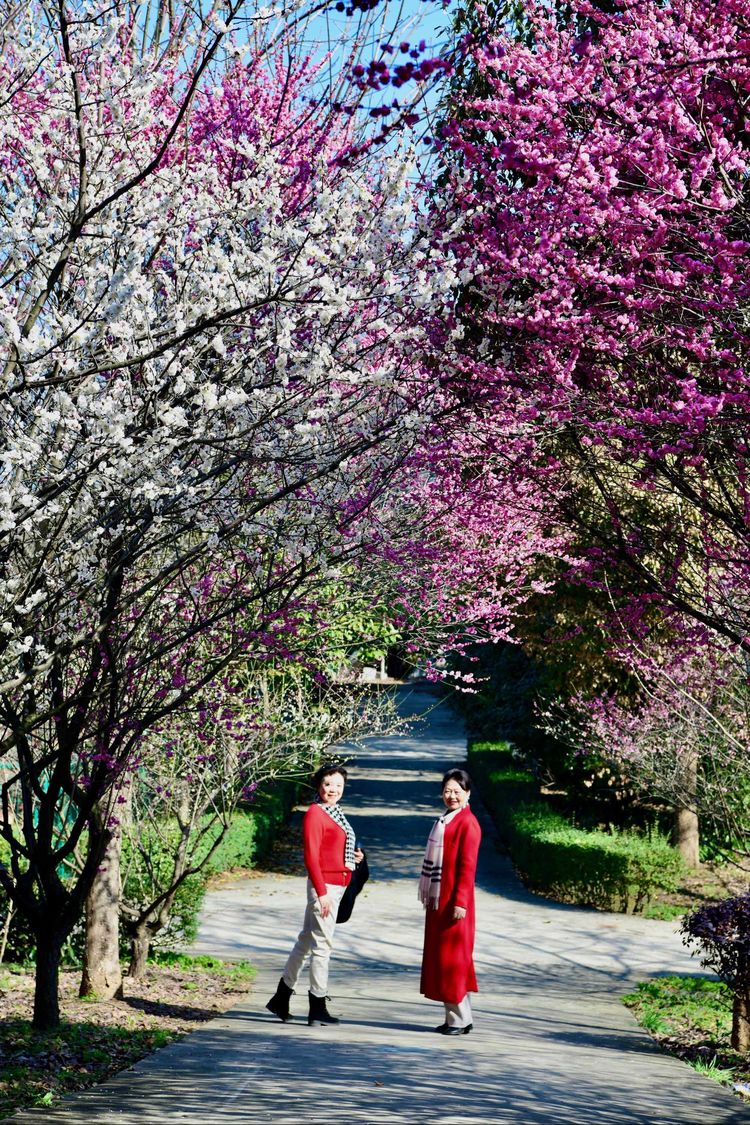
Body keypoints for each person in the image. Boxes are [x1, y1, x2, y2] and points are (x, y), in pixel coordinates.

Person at [265, 763, 363, 1027]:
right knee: (322, 947)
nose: (333, 789)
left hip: (336, 885)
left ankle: (281, 998)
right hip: (325, 888)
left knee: (306, 941)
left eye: (339, 785)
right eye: (328, 784)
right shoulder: (315, 814)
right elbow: (311, 857)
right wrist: (321, 893)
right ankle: (317, 1005)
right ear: (319, 785)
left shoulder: (334, 812)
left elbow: (334, 848)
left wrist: (354, 857)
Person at [419, 767, 481, 1035]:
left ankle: (458, 1020)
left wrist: (461, 902)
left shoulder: (468, 823)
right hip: (440, 901)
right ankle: (459, 1017)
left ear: (468, 793)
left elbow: (468, 867)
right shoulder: (446, 820)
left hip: (455, 904)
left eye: (457, 791)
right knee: (446, 959)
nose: (451, 796)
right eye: (447, 791)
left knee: (452, 961)